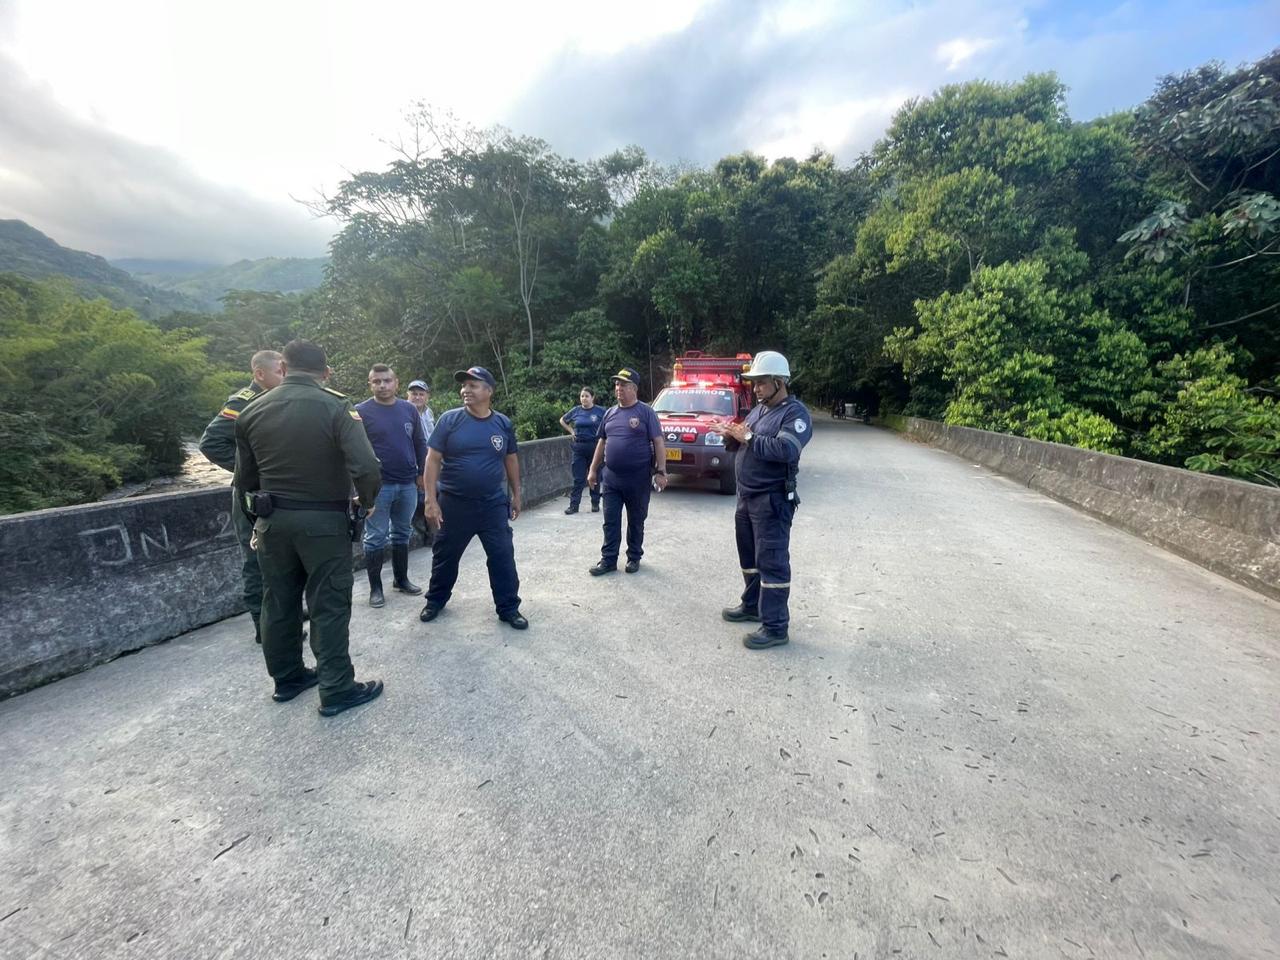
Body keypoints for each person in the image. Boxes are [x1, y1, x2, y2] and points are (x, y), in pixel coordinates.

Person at [233, 339, 385, 717]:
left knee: (278, 600)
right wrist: (366, 503)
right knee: (328, 601)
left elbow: (245, 480)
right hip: (323, 523)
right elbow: (366, 467)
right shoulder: (335, 407)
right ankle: (336, 688)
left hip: (272, 522)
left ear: (283, 367)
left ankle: (287, 679)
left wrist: (259, 521)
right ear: (326, 373)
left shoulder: (251, 412)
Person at [710, 350, 812, 650]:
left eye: (761, 382)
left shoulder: (796, 414)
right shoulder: (759, 411)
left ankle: (776, 627)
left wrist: (748, 438)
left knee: (772, 563)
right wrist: (729, 433)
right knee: (750, 558)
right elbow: (745, 440)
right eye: (753, 383)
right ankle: (752, 605)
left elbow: (786, 451)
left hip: (772, 500)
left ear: (780, 382)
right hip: (747, 497)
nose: (755, 388)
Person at [418, 365, 528, 630]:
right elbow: (432, 460)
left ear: (488, 391)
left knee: (502, 555)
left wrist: (516, 494)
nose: (466, 390)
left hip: (492, 504)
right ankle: (435, 600)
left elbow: (511, 459)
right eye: (464, 385)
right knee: (445, 555)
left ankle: (509, 608)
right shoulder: (449, 420)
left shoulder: (502, 423)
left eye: (473, 385)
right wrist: (430, 499)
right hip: (454, 504)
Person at [198, 349, 284, 644]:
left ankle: (282, 615)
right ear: (260, 374)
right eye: (280, 371)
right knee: (256, 559)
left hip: (273, 492)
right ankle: (265, 627)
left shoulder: (277, 400)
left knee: (281, 558)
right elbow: (210, 442)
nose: (285, 376)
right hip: (251, 494)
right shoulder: (244, 402)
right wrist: (247, 470)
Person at [357, 364, 427, 607]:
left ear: (396, 383)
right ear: (370, 384)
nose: (382, 385)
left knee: (402, 531)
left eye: (387, 381)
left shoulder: (408, 409)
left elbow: (420, 442)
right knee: (375, 537)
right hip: (378, 486)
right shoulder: (360, 412)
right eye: (377, 381)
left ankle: (401, 579)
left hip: (407, 482)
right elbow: (353, 451)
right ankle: (375, 589)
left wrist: (421, 474)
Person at [586, 367, 667, 575]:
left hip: (638, 478)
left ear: (634, 388)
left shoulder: (646, 412)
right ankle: (608, 560)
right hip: (611, 478)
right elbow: (602, 442)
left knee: (636, 520)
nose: (618, 388)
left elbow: (658, 442)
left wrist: (661, 471)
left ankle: (634, 557)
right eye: (616, 384)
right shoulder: (609, 413)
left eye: (623, 385)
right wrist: (593, 470)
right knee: (610, 521)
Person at [559, 386, 603, 514]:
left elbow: (608, 423)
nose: (584, 399)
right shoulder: (576, 411)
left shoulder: (600, 411)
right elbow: (562, 420)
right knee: (578, 478)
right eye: (582, 396)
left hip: (595, 447)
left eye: (587, 396)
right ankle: (574, 505)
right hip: (579, 447)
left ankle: (595, 503)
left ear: (592, 397)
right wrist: (571, 430)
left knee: (594, 476)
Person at [406, 379, 435, 538]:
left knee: (432, 494)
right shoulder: (403, 411)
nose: (417, 397)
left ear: (427, 396)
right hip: (413, 463)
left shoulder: (428, 412)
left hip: (429, 461)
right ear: (407, 395)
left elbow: (431, 437)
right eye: (414, 394)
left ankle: (432, 532)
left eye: (421, 394)